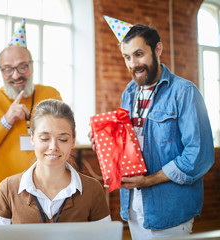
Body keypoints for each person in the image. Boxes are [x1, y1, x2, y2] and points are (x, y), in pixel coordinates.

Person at [91, 17, 214, 240]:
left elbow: (198, 156)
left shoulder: (184, 92)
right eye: (127, 57)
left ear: (157, 49)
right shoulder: (129, 92)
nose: (133, 64)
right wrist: (104, 142)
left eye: (139, 54)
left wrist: (149, 180)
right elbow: (130, 145)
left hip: (170, 210)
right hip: (133, 208)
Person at [0, 99, 111, 224]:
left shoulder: (92, 189)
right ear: (32, 139)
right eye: (45, 138)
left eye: (63, 139)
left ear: (72, 141)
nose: (53, 147)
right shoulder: (8, 189)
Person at [0, 19, 62, 188]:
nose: (16, 76)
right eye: (8, 69)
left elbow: (66, 136)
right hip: (9, 189)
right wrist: (6, 120)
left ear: (32, 66)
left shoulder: (51, 94)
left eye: (23, 67)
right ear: (1, 70)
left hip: (49, 186)